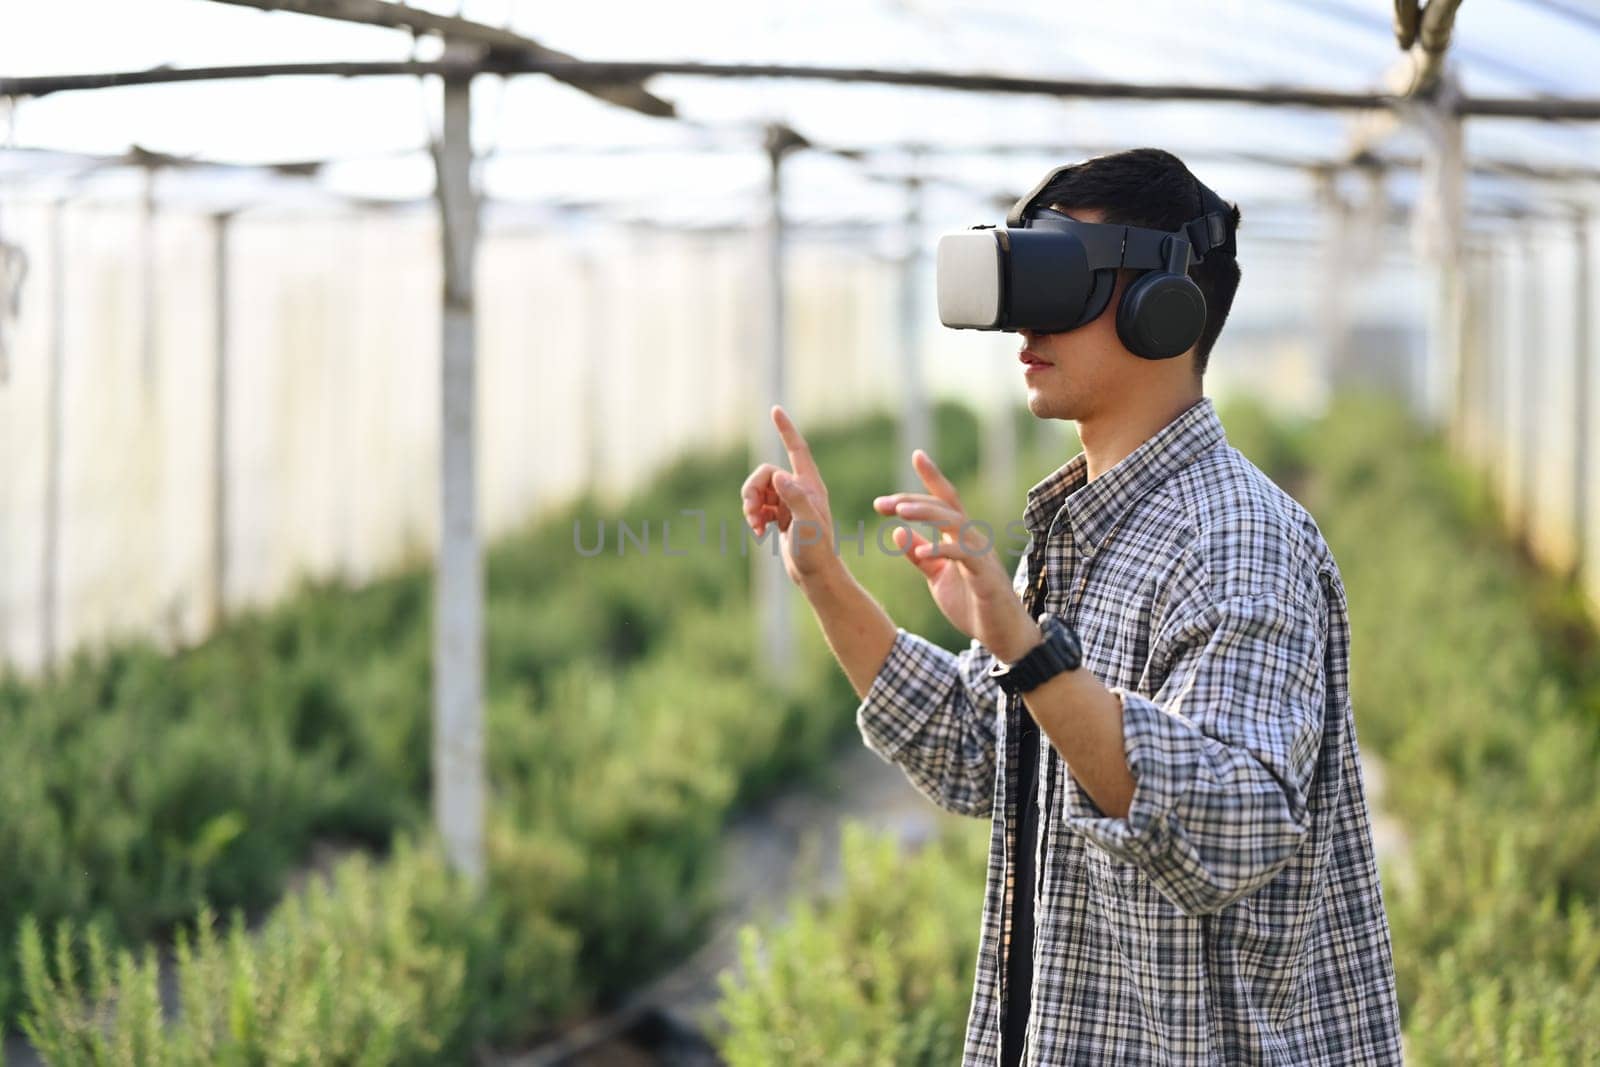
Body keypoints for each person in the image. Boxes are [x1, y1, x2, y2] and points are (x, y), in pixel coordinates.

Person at [739, 148, 1403, 1065]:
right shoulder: (1084, 527)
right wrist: (823, 576)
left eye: (1062, 281)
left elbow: (1233, 821)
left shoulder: (1239, 539)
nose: (1027, 330)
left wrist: (1028, 647)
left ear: (1163, 303)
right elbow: (981, 749)